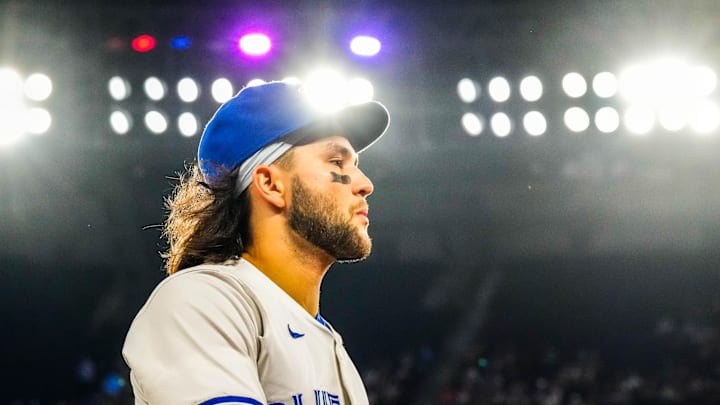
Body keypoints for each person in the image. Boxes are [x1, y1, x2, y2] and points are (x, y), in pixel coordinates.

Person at [122, 81, 390, 405]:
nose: (365, 185)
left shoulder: (333, 348)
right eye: (336, 162)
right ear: (270, 184)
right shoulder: (202, 300)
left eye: (356, 166)